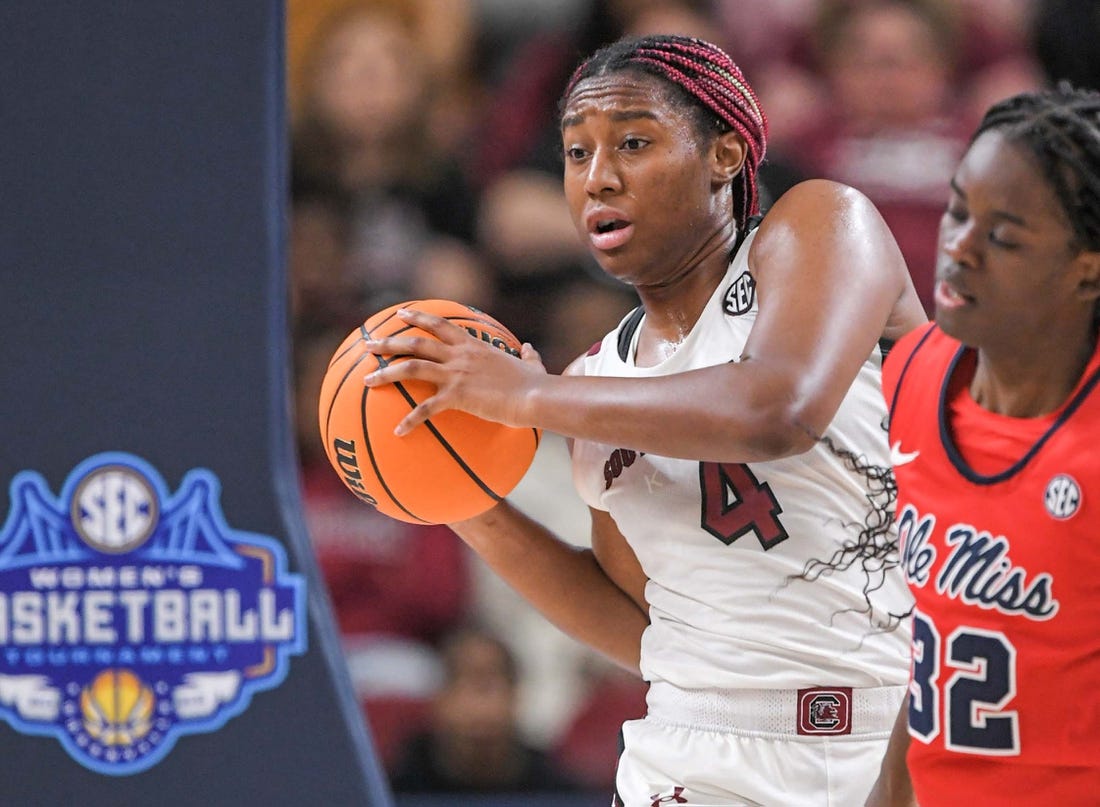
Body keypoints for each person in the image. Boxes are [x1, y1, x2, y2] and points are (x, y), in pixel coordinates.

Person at [363, 34, 927, 805]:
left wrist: (528, 397)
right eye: (575, 153)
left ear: (726, 153)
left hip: (877, 737)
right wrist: (464, 501)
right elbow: (642, 623)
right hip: (686, 754)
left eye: (633, 141)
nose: (599, 177)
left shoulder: (821, 228)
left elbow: (778, 409)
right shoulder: (598, 384)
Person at [866, 86, 1100, 806]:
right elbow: (936, 642)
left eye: (1002, 235)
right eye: (959, 210)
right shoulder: (913, 371)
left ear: (1087, 267)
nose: (958, 247)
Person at [387, 624, 582, 794]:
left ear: (517, 696)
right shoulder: (394, 789)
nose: (479, 701)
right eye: (465, 679)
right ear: (440, 699)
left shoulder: (557, 791)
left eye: (490, 682)